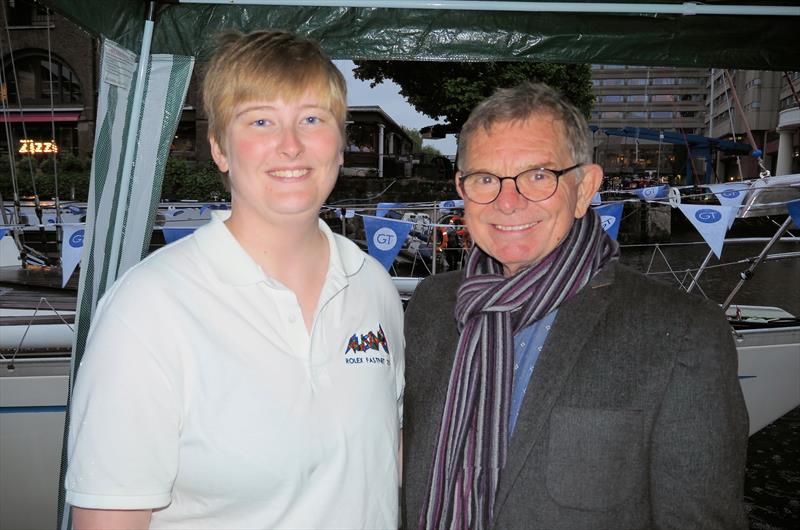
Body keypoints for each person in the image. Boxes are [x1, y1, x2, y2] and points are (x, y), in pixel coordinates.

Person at [65, 30, 405, 530]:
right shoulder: (149, 309)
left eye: (312, 119)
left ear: (340, 145)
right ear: (221, 149)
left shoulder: (373, 287)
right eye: (261, 121)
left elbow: (380, 465)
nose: (290, 145)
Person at [402, 82, 748, 530]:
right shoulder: (430, 307)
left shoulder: (683, 332)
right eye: (485, 178)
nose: (508, 202)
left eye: (539, 176)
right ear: (462, 190)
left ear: (584, 188)